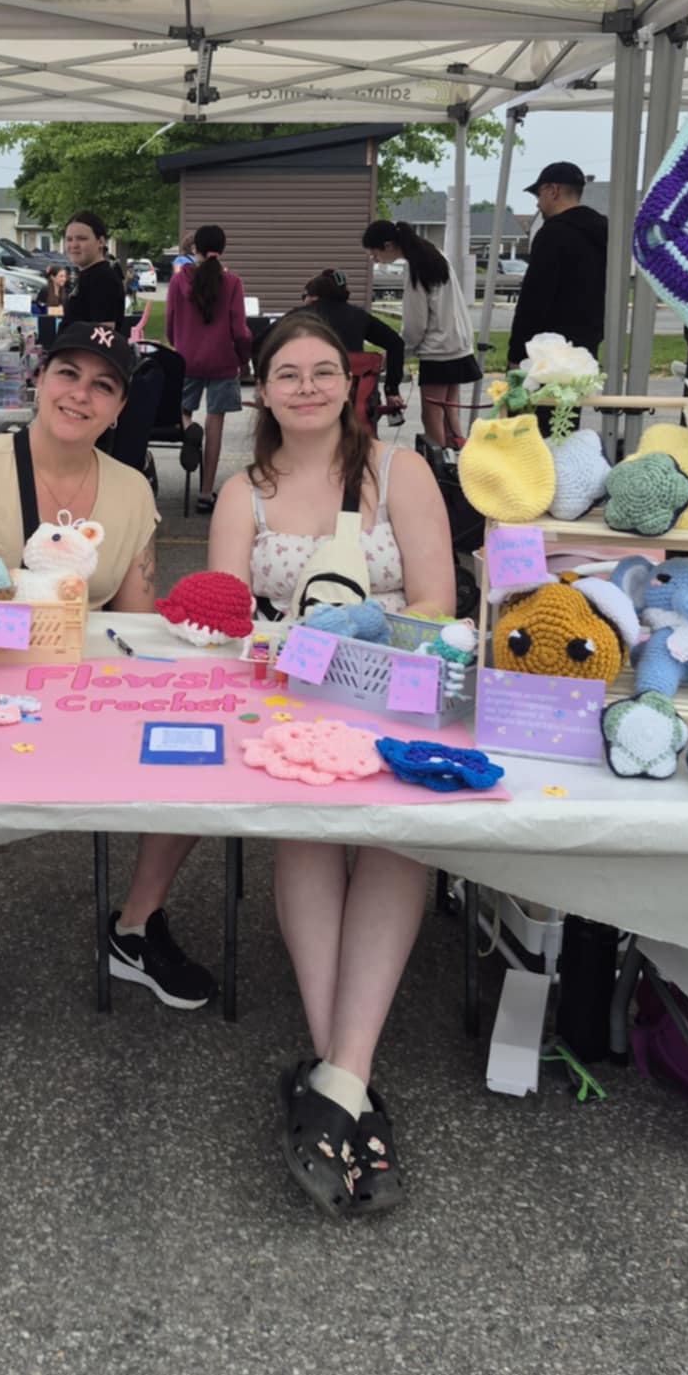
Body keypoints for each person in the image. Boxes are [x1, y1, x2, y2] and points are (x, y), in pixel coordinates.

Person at [0, 321, 215, 1027]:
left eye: (104, 385)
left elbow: (135, 621)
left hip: (81, 684)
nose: (81, 395)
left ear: (120, 408)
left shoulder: (130, 491)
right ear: (40, 380)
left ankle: (135, 925)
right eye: (68, 374)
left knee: (197, 764)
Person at [208, 311, 455, 1215]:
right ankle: (347, 1081)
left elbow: (435, 604)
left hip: (395, 698)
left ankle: (333, 1087)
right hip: (285, 702)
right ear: (263, 391)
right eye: (288, 373)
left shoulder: (401, 471)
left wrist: (360, 651)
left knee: (394, 835)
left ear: (349, 385)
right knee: (307, 829)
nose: (306, 387)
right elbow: (226, 618)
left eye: (323, 371)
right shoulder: (243, 492)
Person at [362, 219, 478, 449]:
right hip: (458, 345)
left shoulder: (416, 269)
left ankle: (438, 463)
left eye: (375, 254)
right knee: (450, 414)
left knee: (432, 415)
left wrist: (397, 353)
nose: (374, 260)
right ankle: (459, 460)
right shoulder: (433, 254)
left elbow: (415, 326)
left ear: (388, 245)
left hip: (438, 351)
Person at [163, 224, 251, 511]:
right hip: (222, 361)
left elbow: (170, 323)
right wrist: (243, 359)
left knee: (182, 410)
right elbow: (240, 330)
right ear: (222, 248)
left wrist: (180, 345)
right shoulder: (232, 283)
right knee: (216, 422)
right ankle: (205, 493)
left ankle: (189, 431)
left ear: (194, 248)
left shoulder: (178, 281)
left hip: (188, 359)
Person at [506, 162, 608, 366]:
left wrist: (517, 354)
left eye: (539, 195)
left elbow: (534, 300)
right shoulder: (605, 233)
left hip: (546, 353)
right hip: (586, 351)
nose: (538, 204)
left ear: (553, 191)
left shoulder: (552, 234)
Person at [299, 268, 406, 420]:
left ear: (313, 297)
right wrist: (391, 389)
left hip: (311, 398)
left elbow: (264, 342)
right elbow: (396, 344)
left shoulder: (298, 318)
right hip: (356, 401)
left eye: (304, 296)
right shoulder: (359, 317)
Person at [60, 210, 125, 330]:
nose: (74, 245)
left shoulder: (103, 279)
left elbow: (103, 333)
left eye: (82, 238)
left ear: (101, 242)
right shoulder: (88, 274)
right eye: (69, 239)